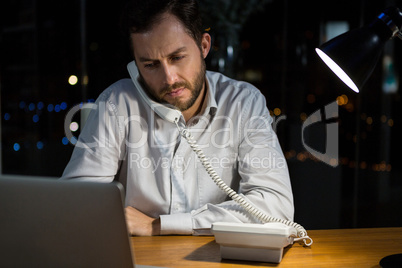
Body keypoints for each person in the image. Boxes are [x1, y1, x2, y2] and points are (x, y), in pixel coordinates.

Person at [61, 0, 294, 236]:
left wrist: (158, 225)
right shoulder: (116, 102)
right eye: (151, 64)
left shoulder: (243, 103)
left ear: (204, 46)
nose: (169, 79)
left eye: (177, 57)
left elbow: (276, 207)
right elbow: (75, 204)